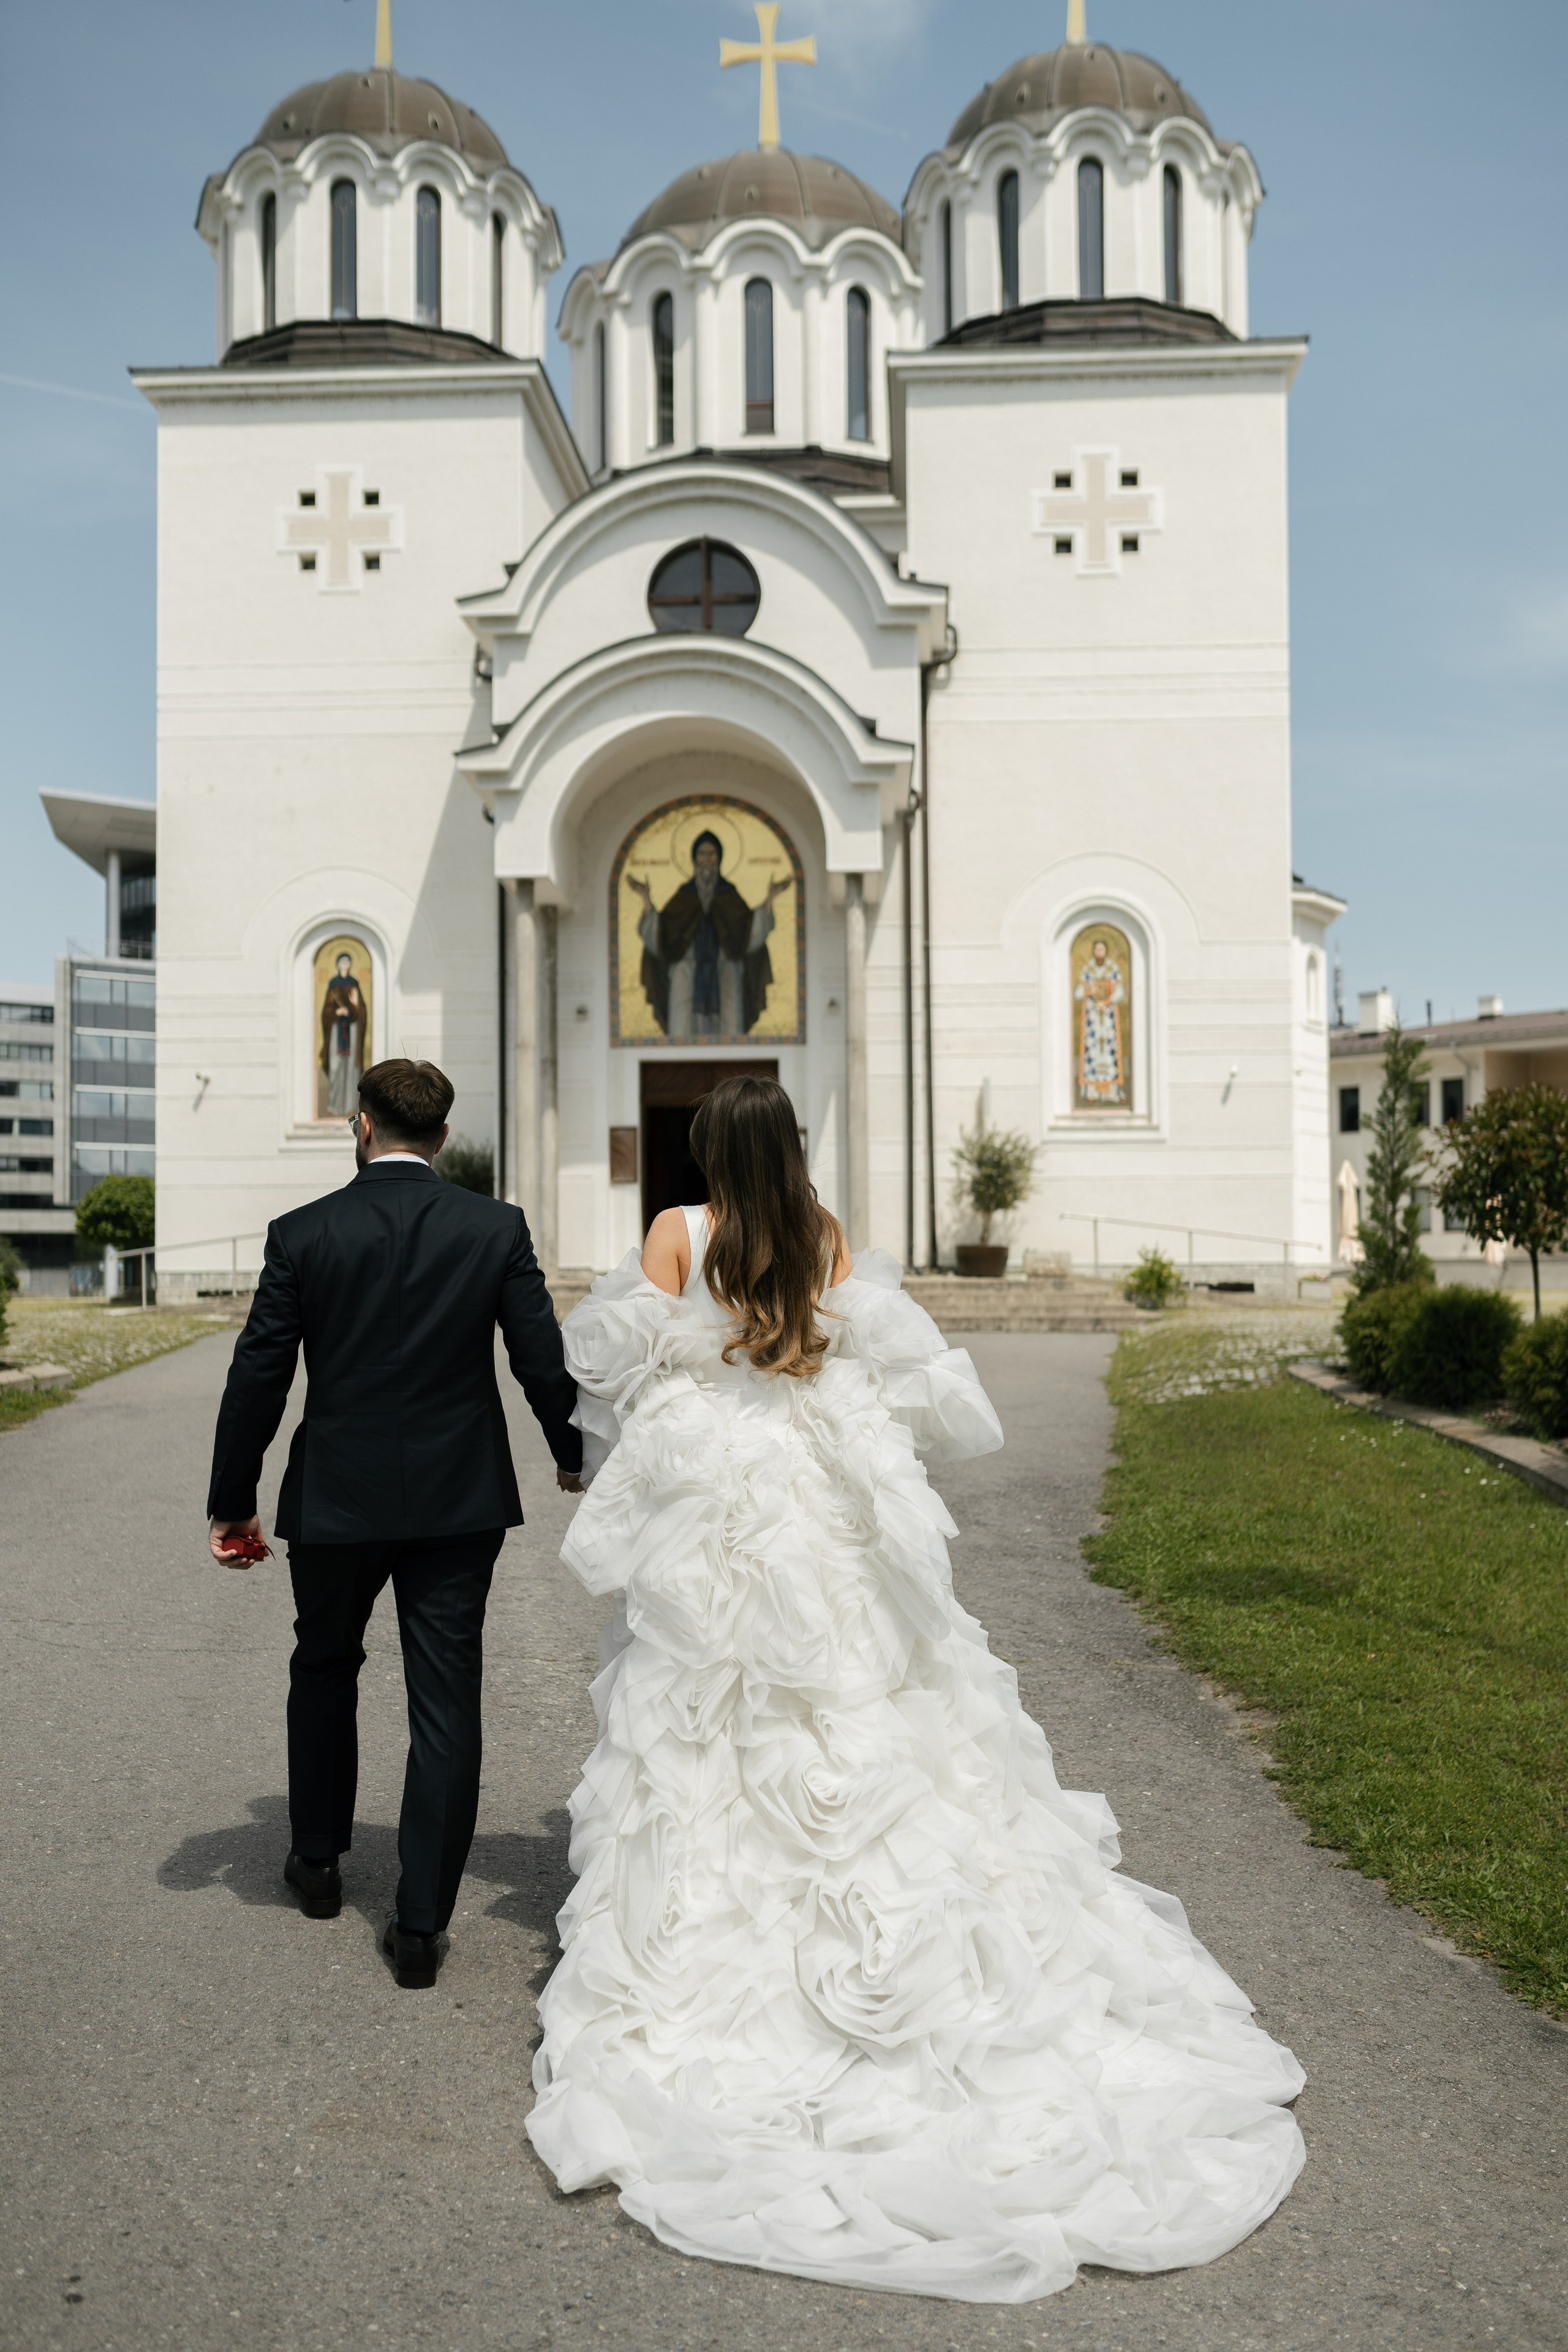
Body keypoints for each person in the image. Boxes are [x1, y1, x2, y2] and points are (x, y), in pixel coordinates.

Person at [527, 1073, 1304, 2302]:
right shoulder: (825, 1236)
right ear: (789, 1147)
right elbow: (884, 1363)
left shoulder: (679, 1234)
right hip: (824, 1496)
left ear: (707, 1153)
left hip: (726, 1505)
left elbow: (622, 1383)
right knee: (872, 1698)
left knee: (711, 1723)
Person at [205, 1058, 582, 1989]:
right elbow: (540, 1355)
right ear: (443, 1138)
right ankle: (421, 1926)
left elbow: (260, 1373)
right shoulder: (494, 1228)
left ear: (360, 1125)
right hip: (459, 1501)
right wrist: (573, 1451)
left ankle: (320, 1864)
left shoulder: (304, 1233)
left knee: (324, 1665)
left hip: (337, 1499)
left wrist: (233, 1498)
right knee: (446, 1695)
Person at [629, 830, 789, 1040]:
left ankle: (733, 1062)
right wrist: (646, 900)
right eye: (702, 855)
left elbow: (748, 932)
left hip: (725, 967)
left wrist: (770, 899)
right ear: (694, 860)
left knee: (731, 1024)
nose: (706, 861)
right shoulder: (684, 897)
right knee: (681, 1026)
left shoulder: (728, 895)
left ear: (719, 860)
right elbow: (661, 936)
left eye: (712, 855)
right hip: (686, 969)